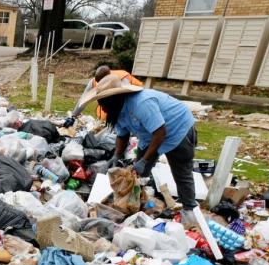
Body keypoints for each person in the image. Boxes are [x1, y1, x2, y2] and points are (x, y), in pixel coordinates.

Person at [75, 74, 199, 214]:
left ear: (113, 99)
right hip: (150, 135)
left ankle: (190, 212)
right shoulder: (117, 110)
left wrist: (144, 160)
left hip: (178, 129)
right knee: (137, 173)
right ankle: (135, 203)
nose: (102, 108)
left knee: (181, 174)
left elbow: (160, 133)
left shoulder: (141, 104)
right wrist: (117, 156)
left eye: (103, 103)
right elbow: (122, 135)